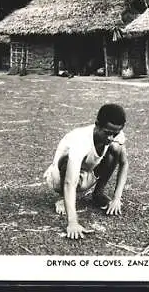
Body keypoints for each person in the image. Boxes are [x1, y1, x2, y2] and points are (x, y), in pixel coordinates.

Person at [43, 103, 129, 240]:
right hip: (60, 179)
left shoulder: (114, 133)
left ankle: (98, 194)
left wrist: (117, 198)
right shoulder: (80, 140)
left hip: (86, 174)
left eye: (115, 133)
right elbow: (69, 183)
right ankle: (62, 198)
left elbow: (124, 164)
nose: (111, 137)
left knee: (116, 150)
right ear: (97, 124)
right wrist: (72, 223)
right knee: (67, 161)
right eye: (107, 133)